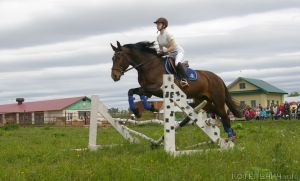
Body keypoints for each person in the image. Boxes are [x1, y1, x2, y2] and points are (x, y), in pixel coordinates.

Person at [153, 17, 188, 87]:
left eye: (159, 24)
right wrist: (158, 53)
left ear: (164, 25)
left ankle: (184, 79)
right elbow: (161, 49)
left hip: (178, 51)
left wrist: (166, 50)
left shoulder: (168, 34)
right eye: (157, 24)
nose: (157, 26)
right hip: (170, 53)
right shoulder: (158, 37)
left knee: (177, 62)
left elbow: (174, 46)